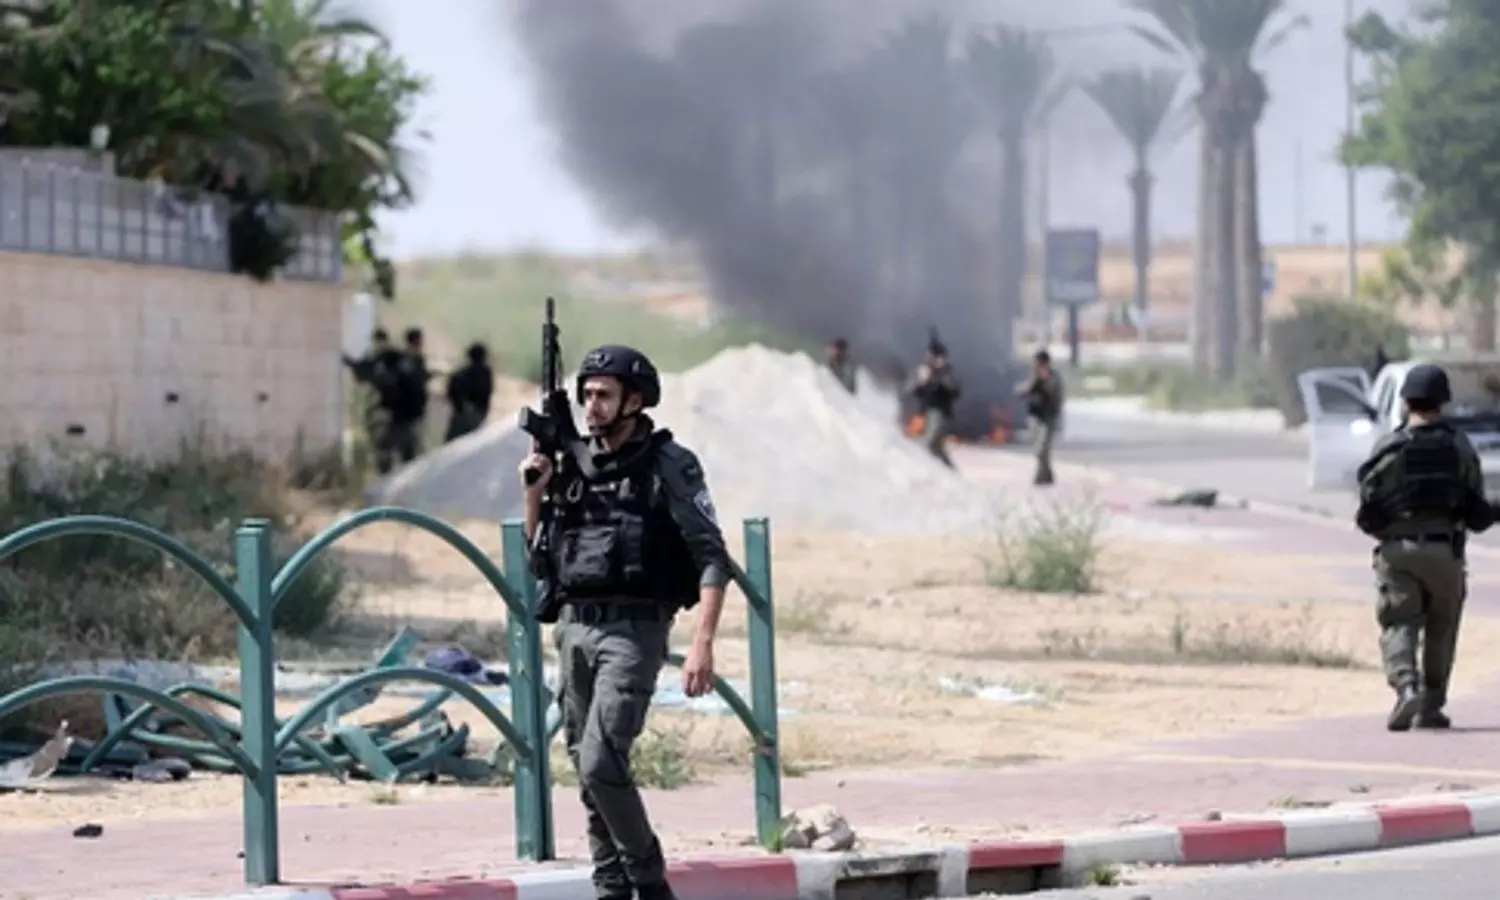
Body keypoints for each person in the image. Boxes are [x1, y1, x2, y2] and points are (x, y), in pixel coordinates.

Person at [517, 344, 730, 900]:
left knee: (601, 761)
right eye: (586, 395)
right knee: (587, 770)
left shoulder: (669, 464)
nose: (592, 406)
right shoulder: (571, 461)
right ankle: (611, 886)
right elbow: (539, 557)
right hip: (573, 627)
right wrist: (535, 493)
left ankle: (649, 883)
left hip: (633, 631)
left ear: (634, 401)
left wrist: (703, 643)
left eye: (603, 395)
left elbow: (712, 555)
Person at [1354, 363, 1500, 731]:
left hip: (1397, 550)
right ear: (1443, 402)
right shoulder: (1459, 447)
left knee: (1399, 622)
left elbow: (1367, 508)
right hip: (1444, 552)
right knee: (1441, 628)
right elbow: (1477, 511)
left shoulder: (1389, 448)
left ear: (1406, 402)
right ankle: (1431, 707)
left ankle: (1406, 687)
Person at [342, 328, 406, 469]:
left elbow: (395, 379)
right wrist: (350, 362)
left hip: (396, 411)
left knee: (394, 448)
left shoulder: (394, 358)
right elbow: (363, 370)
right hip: (383, 409)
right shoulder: (377, 359)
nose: (377, 346)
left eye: (379, 343)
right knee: (382, 448)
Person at [904, 335, 962, 468]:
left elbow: (954, 391)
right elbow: (909, 390)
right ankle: (948, 470)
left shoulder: (946, 373)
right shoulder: (923, 371)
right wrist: (921, 382)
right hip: (926, 413)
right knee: (935, 447)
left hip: (940, 414)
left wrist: (939, 376)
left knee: (930, 444)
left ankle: (942, 471)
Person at [1017, 349, 1066, 486]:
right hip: (1036, 417)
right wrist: (1031, 384)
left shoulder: (1053, 377)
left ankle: (1041, 477)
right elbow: (1022, 391)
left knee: (1042, 449)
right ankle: (1047, 476)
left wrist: (1046, 381)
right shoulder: (1033, 377)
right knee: (1037, 451)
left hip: (1049, 418)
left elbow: (1057, 395)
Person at [444, 341, 495, 443]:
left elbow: (451, 390)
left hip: (462, 414)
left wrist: (460, 407)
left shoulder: (461, 373)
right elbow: (487, 393)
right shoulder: (486, 373)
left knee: (453, 444)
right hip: (478, 415)